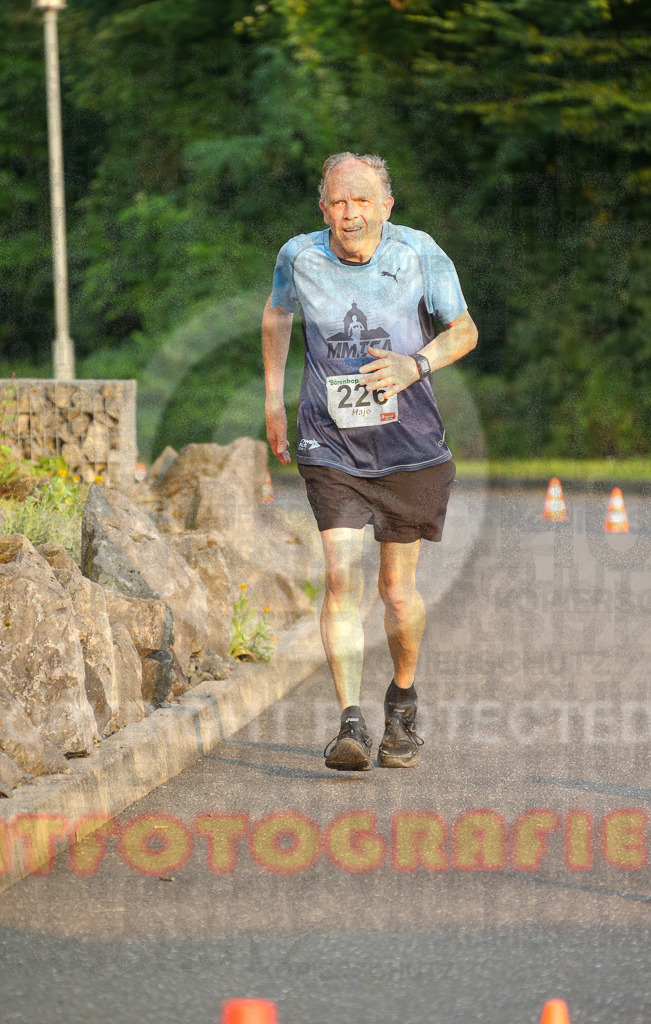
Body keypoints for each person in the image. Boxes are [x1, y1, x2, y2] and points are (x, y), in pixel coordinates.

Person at [262, 152, 477, 771]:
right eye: (337, 201)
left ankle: (402, 702)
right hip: (330, 443)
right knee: (338, 576)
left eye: (362, 200)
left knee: (395, 589)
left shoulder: (418, 254)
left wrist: (416, 365)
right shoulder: (299, 256)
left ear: (387, 204)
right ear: (322, 208)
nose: (349, 213)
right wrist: (273, 400)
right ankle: (350, 721)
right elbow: (277, 313)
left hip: (409, 447)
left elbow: (464, 330)